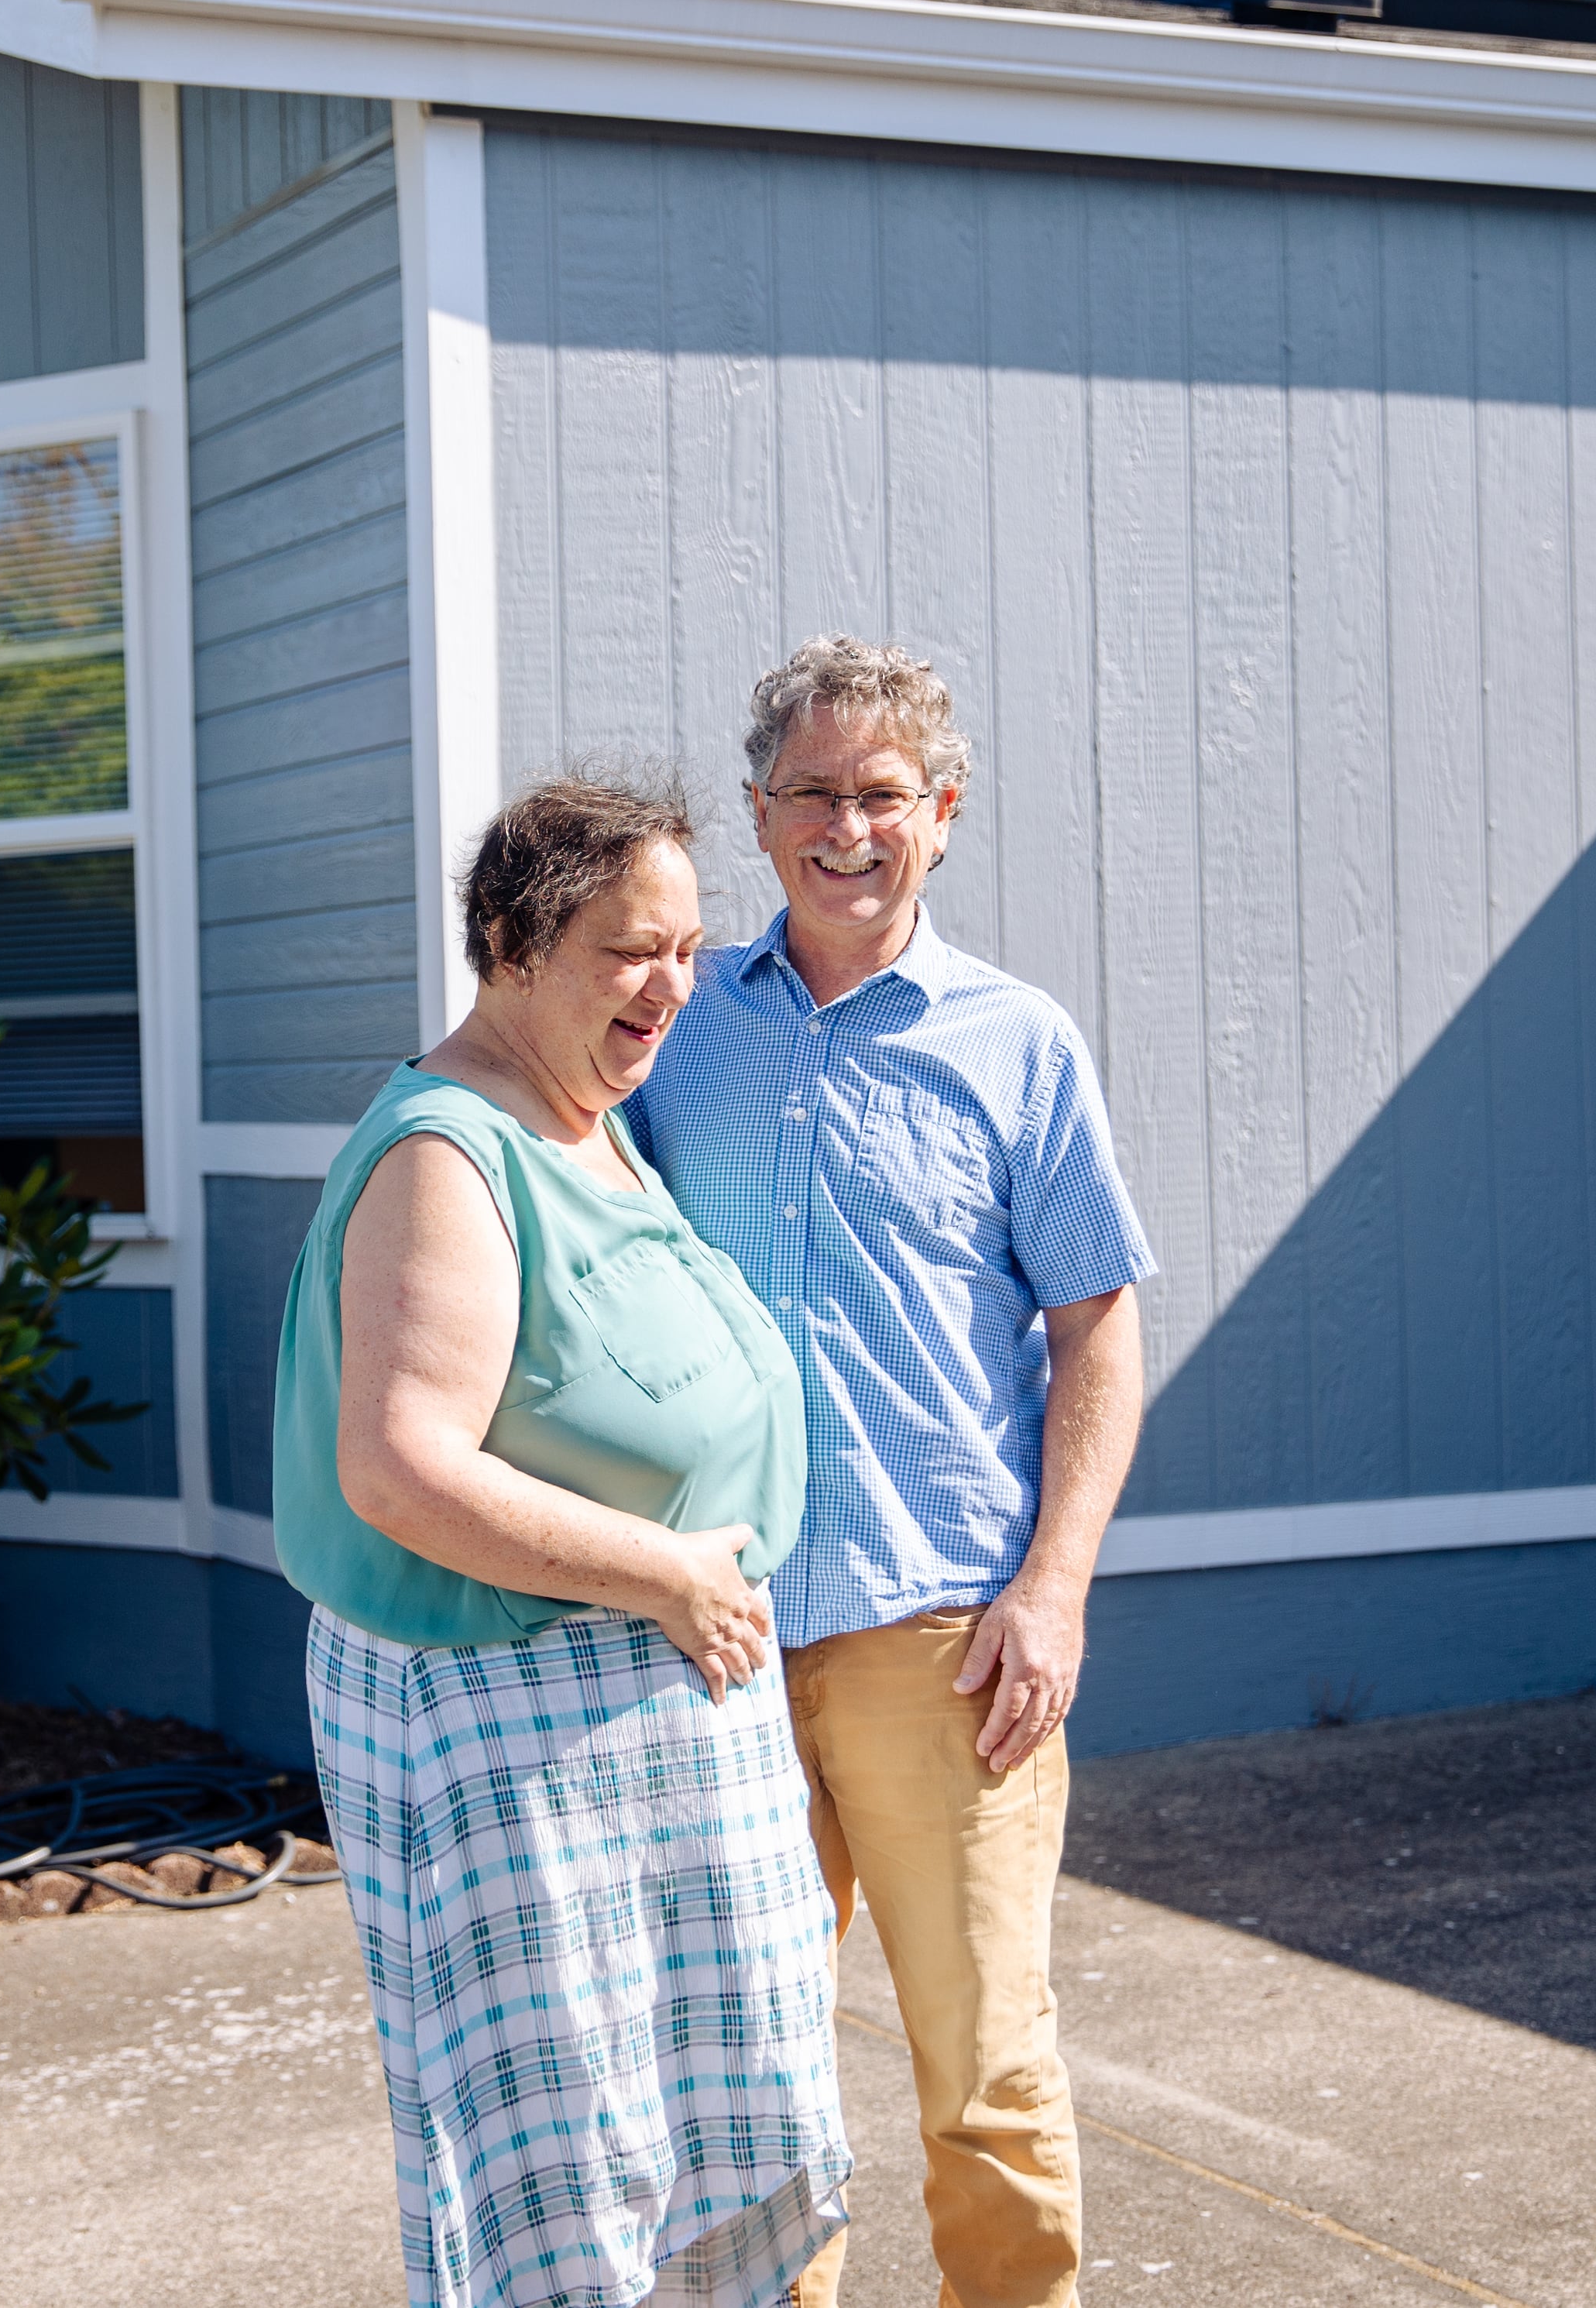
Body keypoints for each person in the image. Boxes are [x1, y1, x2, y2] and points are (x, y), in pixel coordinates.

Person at [274, 771, 855, 2308]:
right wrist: (666, 1566)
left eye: (685, 943)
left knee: (694, 2148)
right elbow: (400, 1468)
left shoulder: (578, 1113)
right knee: (576, 2165)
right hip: (518, 1731)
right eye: (624, 948)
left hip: (642, 1724)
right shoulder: (445, 1153)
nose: (671, 981)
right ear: (507, 945)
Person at [624, 639, 1156, 2308]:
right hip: (708, 1633)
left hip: (946, 1638)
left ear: (942, 809)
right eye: (809, 793)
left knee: (984, 2073)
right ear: (756, 813)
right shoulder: (672, 1021)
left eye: (881, 793)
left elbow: (1096, 1326)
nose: (844, 826)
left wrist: (1053, 1585)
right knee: (734, 2083)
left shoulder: (1018, 1041)